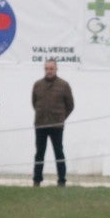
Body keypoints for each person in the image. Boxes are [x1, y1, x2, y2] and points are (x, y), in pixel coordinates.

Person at [31, 59, 75, 187]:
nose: (49, 71)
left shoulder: (64, 85)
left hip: (56, 126)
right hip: (40, 124)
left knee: (58, 152)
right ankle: (37, 180)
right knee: (39, 153)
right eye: (47, 68)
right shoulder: (37, 85)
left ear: (56, 69)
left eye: (51, 68)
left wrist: (61, 117)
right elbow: (34, 102)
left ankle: (61, 180)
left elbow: (70, 105)